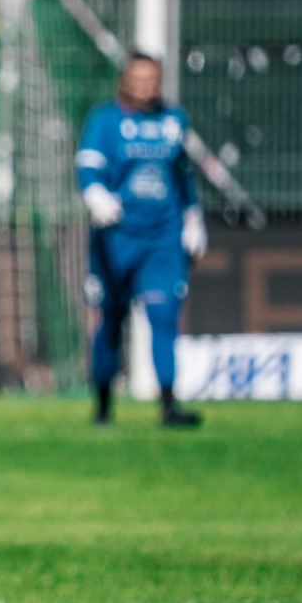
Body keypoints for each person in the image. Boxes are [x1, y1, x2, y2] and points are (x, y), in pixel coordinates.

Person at [77, 52, 205, 427]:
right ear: (126, 80)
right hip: (117, 236)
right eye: (139, 78)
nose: (146, 86)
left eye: (153, 79)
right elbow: (87, 165)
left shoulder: (173, 120)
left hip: (162, 237)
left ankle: (168, 406)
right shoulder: (105, 119)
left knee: (164, 314)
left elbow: (182, 177)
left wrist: (193, 218)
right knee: (111, 320)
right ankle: (102, 406)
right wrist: (95, 193)